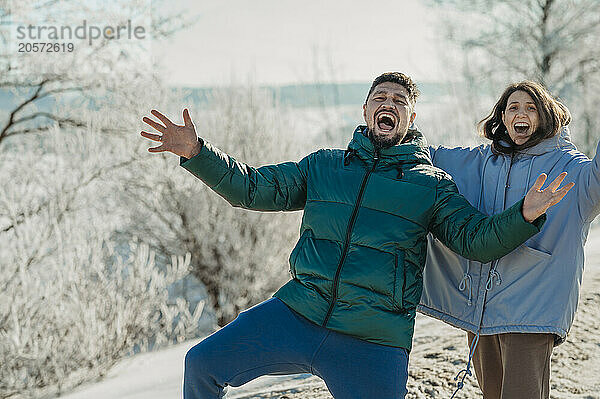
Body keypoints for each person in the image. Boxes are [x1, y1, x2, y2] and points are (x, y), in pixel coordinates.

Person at [140, 73, 572, 399]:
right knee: (201, 364)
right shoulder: (325, 166)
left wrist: (524, 214)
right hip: (296, 315)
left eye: (399, 101)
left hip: (372, 338)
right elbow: (252, 187)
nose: (388, 104)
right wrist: (198, 153)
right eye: (379, 98)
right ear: (365, 112)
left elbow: (475, 238)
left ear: (411, 117)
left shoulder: (430, 185)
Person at [419, 80, 600, 399]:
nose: (521, 113)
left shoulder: (570, 167)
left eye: (531, 108)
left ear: (544, 116)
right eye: (513, 107)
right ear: (501, 117)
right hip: (482, 312)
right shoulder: (477, 162)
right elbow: (421, 159)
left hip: (533, 310)